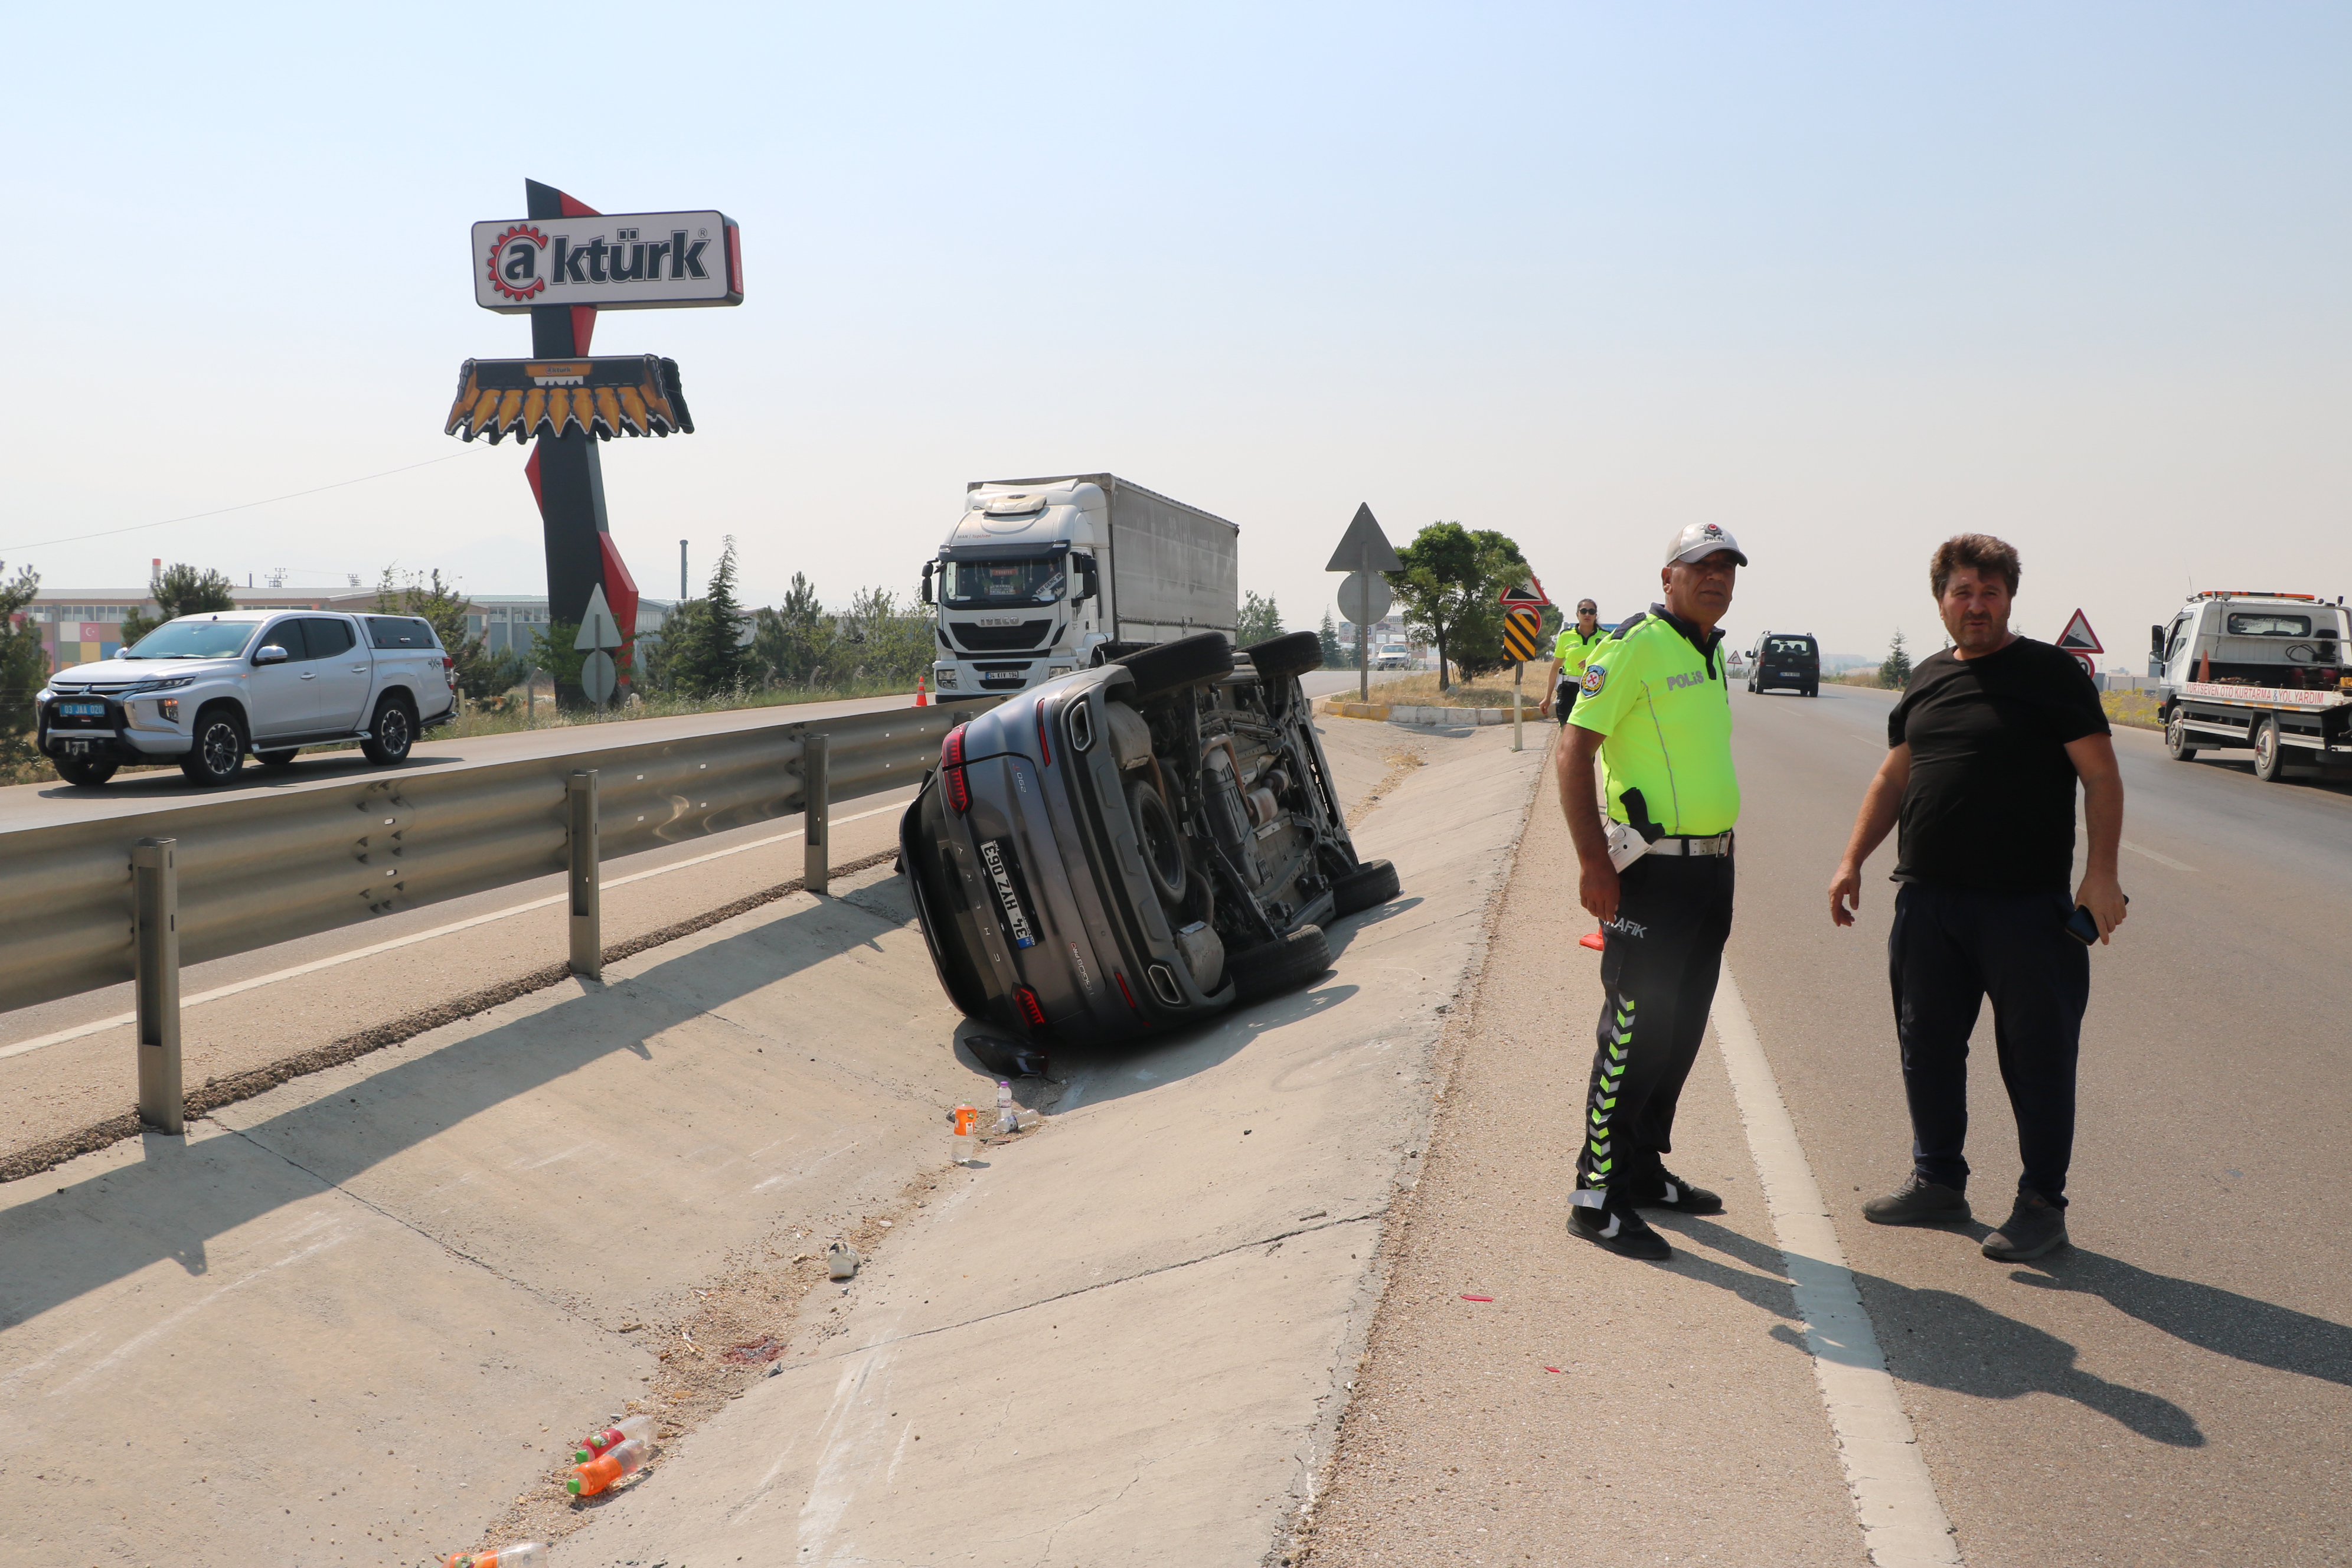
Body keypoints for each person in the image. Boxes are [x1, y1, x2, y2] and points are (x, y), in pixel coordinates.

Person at [1827, 534, 2126, 1263]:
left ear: (2009, 600)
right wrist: (1850, 861)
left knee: (2037, 1057)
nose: (1977, 605)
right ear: (1941, 602)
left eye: (1990, 592)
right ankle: (1938, 1180)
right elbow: (1893, 779)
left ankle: (2041, 1206)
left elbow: (2102, 776)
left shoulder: (2051, 674)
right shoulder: (1927, 679)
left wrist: (2102, 872)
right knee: (1925, 1043)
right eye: (1963, 592)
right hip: (1928, 902)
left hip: (2026, 910)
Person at [1556, 525, 1745, 1259]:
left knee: (1682, 1028)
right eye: (1701, 566)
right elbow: (1576, 752)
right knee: (1632, 1032)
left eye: (1727, 568)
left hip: (1712, 870)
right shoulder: (1632, 645)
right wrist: (1592, 861)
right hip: (1651, 876)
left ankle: (1640, 1167)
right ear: (1668, 576)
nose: (1716, 578)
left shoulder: (1712, 650)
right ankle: (1595, 1194)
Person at [1538, 600, 1608, 723]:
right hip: (1568, 689)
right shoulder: (1566, 636)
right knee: (1566, 730)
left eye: (1591, 612)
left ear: (1596, 615)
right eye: (1584, 611)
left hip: (1594, 690)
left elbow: (1612, 663)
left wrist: (1592, 660)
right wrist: (1547, 697)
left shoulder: (1606, 637)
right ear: (1577, 614)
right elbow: (1555, 667)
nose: (1587, 615)